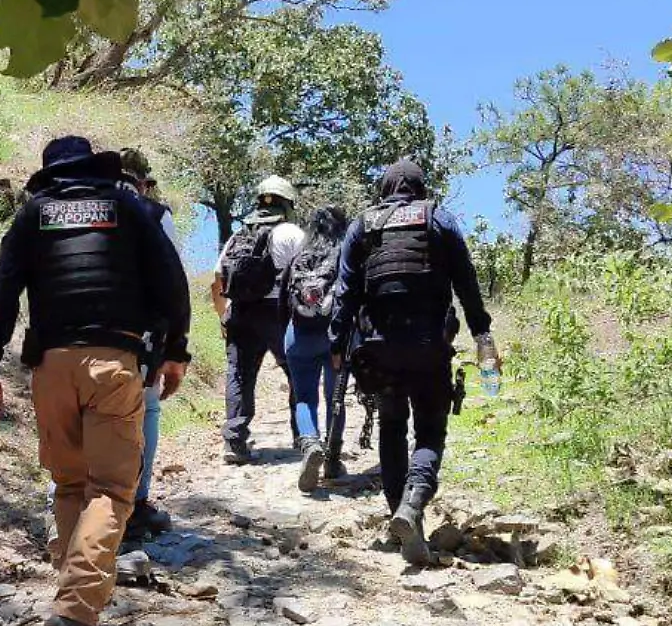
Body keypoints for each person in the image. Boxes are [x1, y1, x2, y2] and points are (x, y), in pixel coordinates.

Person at [0, 137, 191, 626]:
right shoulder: (129, 207)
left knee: (71, 485)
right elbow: (170, 280)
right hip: (112, 363)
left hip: (51, 369)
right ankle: (76, 610)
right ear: (93, 167)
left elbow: (1, 292)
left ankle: (75, 603)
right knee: (114, 489)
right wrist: (176, 352)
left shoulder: (34, 215)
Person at [328, 161, 497, 565]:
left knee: (390, 427)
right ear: (420, 188)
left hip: (378, 347)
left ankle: (403, 520)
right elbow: (466, 281)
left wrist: (336, 342)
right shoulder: (439, 219)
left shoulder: (362, 226)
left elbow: (346, 290)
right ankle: (414, 503)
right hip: (428, 347)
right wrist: (482, 334)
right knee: (430, 432)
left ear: (383, 189)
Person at [211, 175, 305, 464]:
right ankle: (303, 436)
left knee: (239, 373)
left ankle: (235, 441)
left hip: (240, 311)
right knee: (298, 373)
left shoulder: (239, 235)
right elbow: (308, 274)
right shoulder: (292, 233)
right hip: (279, 312)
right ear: (288, 203)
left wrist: (223, 316)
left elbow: (217, 279)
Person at [119, 147, 180, 539]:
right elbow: (172, 284)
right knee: (147, 410)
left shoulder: (79, 207)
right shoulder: (156, 215)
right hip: (139, 338)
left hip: (73, 336)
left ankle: (65, 504)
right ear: (144, 183)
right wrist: (174, 348)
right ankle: (137, 503)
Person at [282, 205, 349, 492]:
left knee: (304, 398)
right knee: (336, 398)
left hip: (298, 334)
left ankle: (310, 442)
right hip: (334, 336)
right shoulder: (345, 253)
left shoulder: (301, 255)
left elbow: (282, 297)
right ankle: (333, 459)